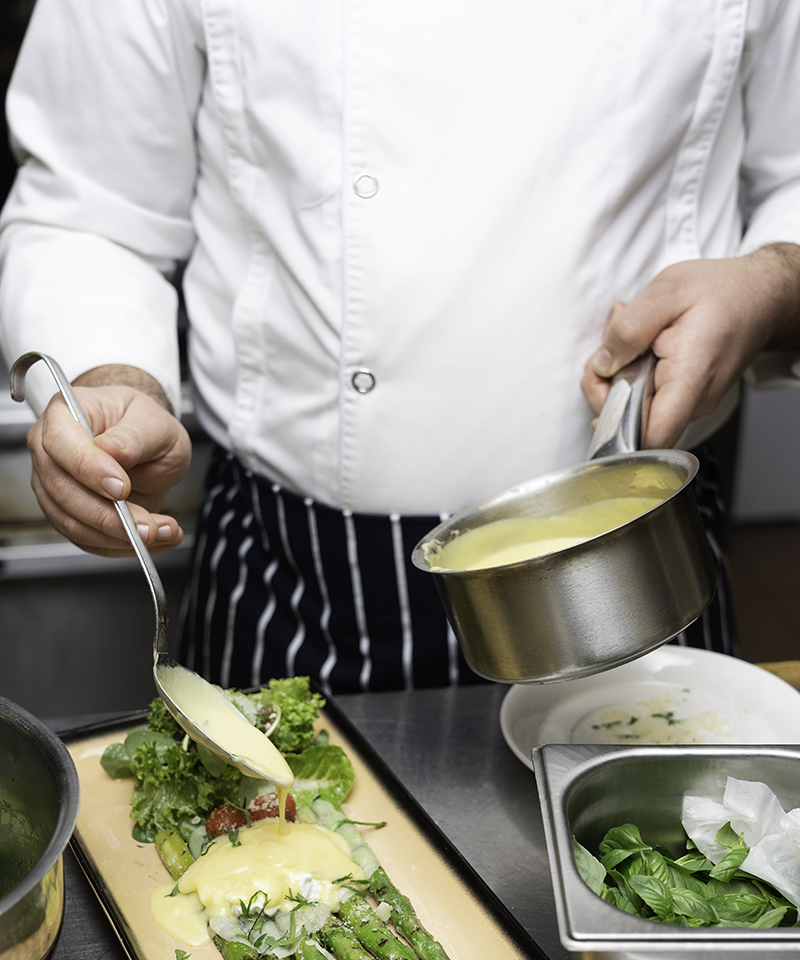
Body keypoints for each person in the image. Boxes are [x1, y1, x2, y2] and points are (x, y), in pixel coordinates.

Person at [2, 0, 800, 693]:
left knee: (664, 869)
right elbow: (90, 209)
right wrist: (113, 383)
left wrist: (770, 281)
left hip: (633, 570)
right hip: (300, 583)